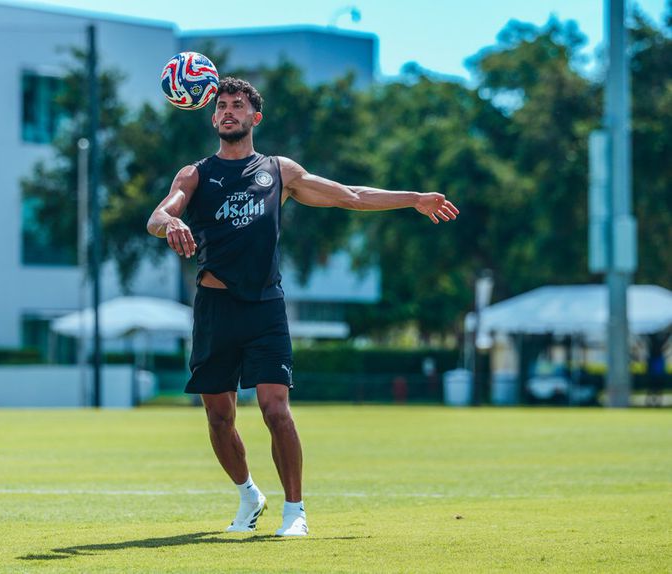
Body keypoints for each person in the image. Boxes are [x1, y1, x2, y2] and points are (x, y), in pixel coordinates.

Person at [146, 77, 459, 537]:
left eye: (238, 105)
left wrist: (412, 199)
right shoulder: (194, 175)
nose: (229, 111)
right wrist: (169, 221)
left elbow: (349, 195)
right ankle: (249, 495)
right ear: (212, 118)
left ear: (256, 117)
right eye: (222, 106)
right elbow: (158, 215)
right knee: (218, 417)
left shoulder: (278, 171)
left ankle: (295, 512)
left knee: (275, 409)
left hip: (265, 306)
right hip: (215, 307)